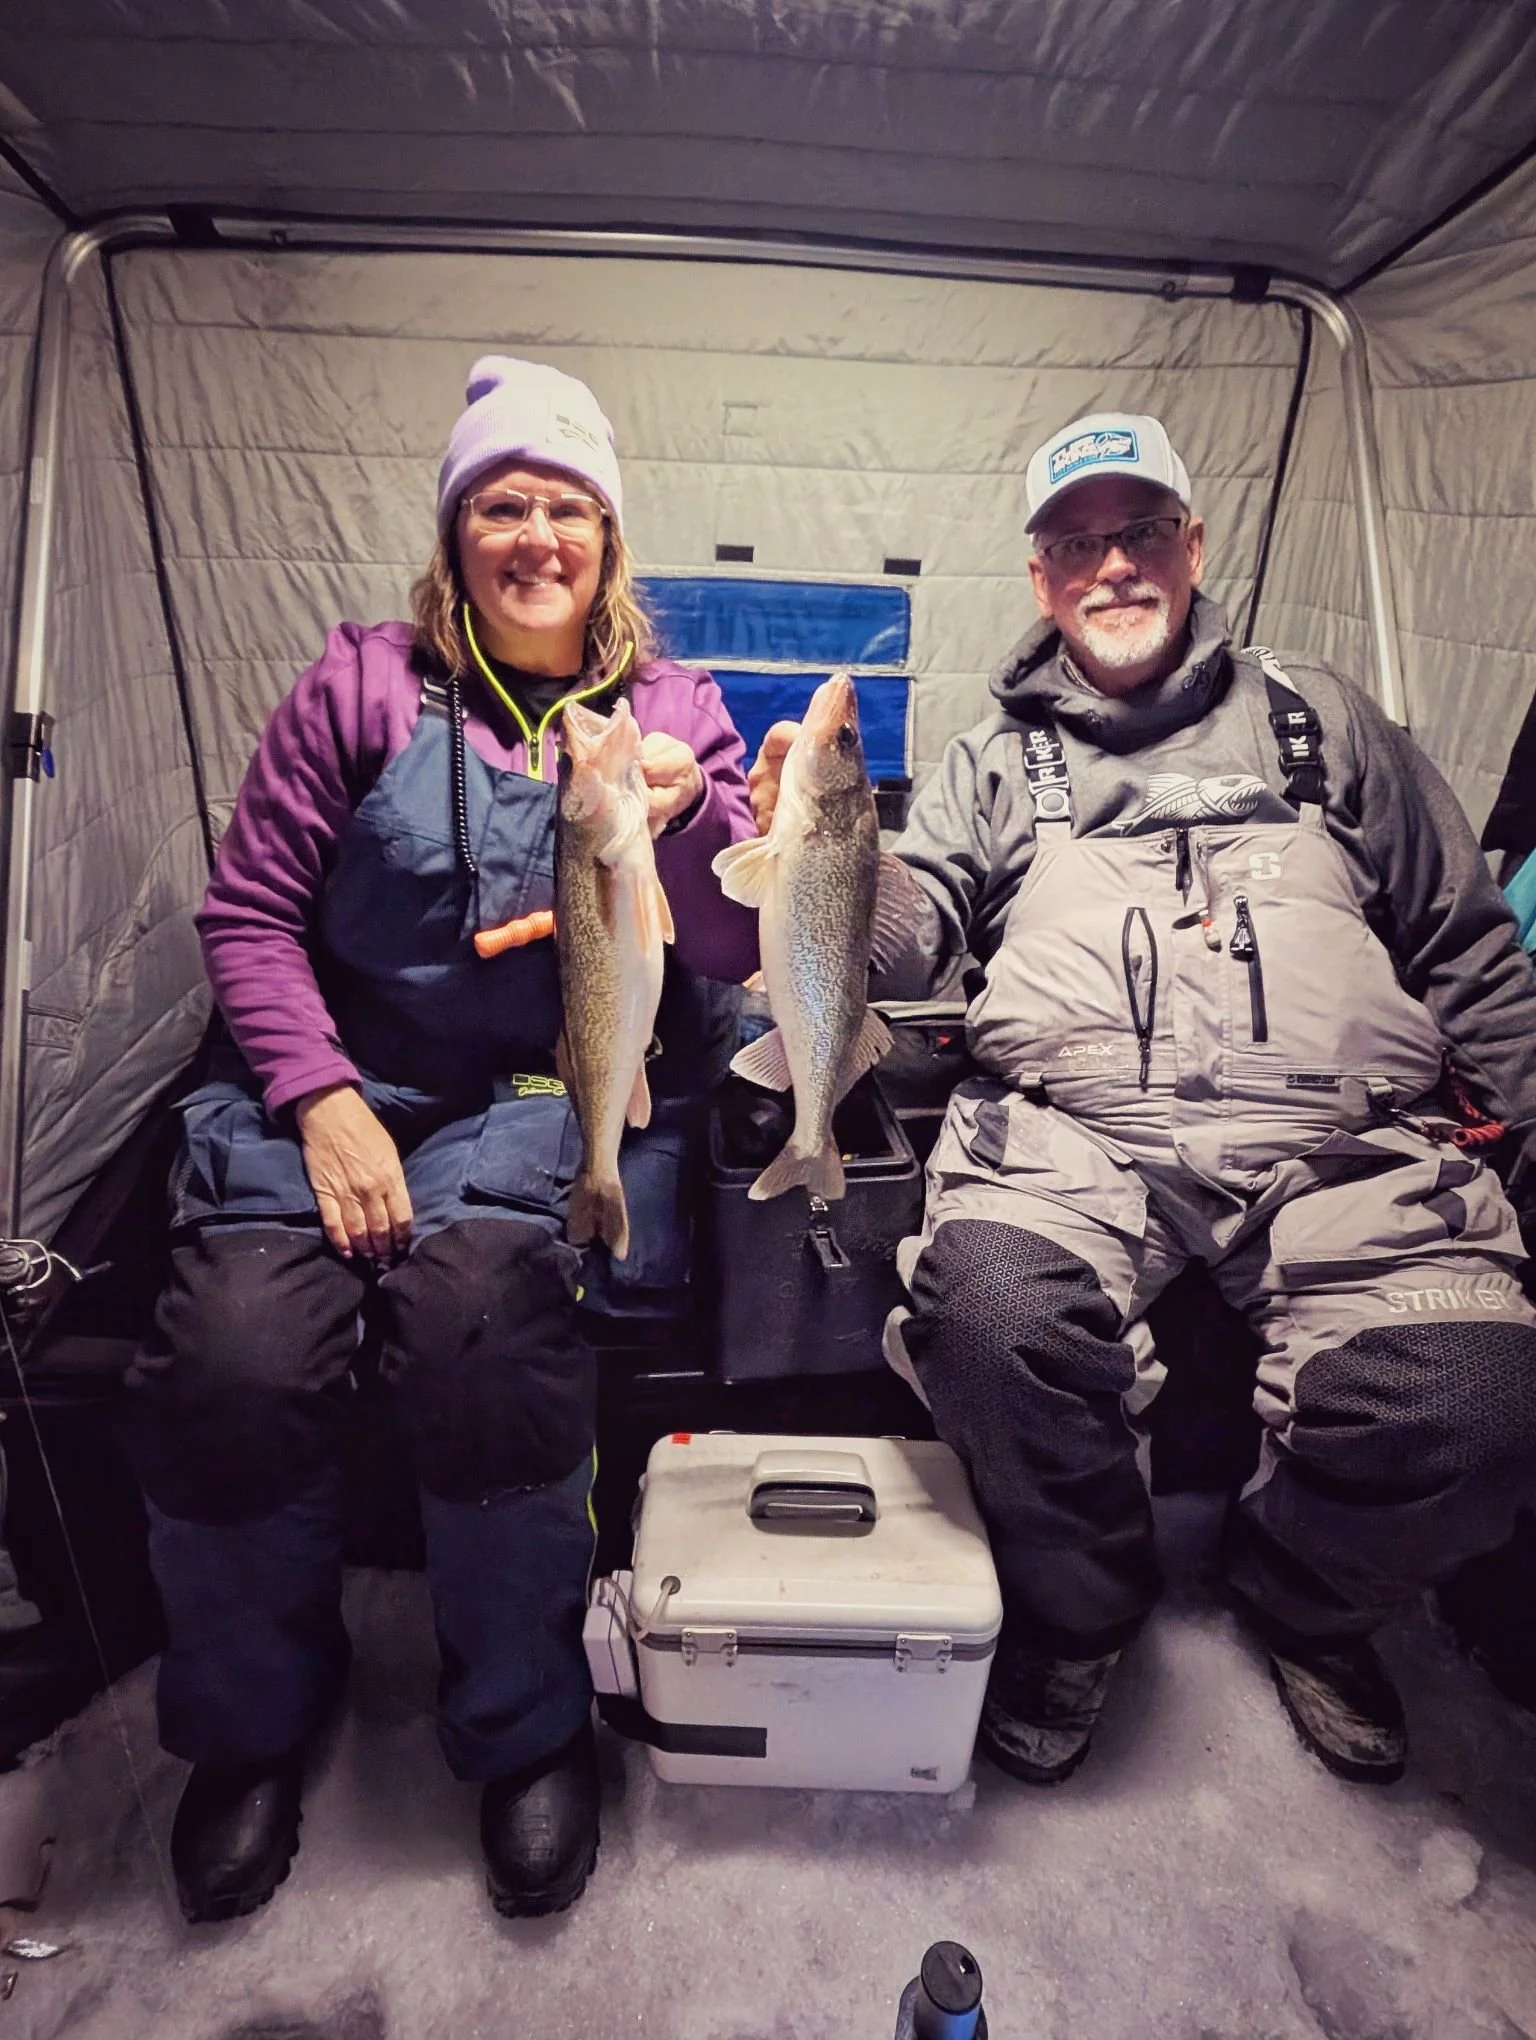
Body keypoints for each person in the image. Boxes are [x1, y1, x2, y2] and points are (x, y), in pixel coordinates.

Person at [750, 411, 1536, 1789]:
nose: (1112, 567)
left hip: (1348, 1152)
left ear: (1193, 543)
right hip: (1076, 1143)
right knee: (988, 1316)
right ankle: (1080, 1611)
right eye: (1076, 544)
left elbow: (1466, 942)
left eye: (1141, 532)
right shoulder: (995, 760)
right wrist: (824, 870)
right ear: (1042, 578)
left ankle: (1307, 1598)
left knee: (1484, 1394)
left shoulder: (1324, 720)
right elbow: (907, 936)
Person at [124, 357, 758, 1923]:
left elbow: (739, 950)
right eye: (502, 504)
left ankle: (525, 1725)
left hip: (537, 1098)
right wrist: (318, 1096)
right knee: (228, 1361)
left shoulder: (672, 711)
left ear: (612, 544)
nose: (535, 535)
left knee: (488, 1339)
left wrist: (678, 818)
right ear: (455, 532)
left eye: (567, 508)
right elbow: (251, 913)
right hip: (336, 1085)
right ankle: (254, 1722)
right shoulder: (357, 686)